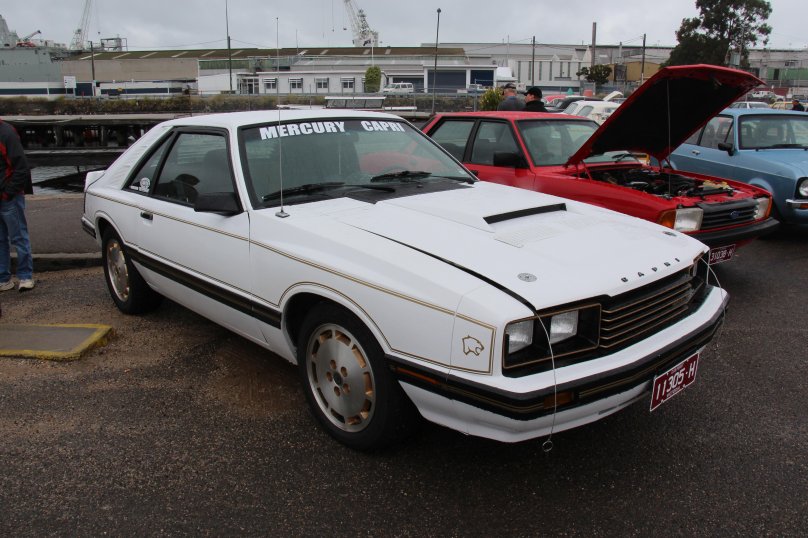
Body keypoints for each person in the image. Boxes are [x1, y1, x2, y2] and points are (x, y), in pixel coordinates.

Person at [0, 120, 35, 292]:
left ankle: (25, 276)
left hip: (9, 197)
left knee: (18, 237)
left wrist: (8, 192)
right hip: (6, 195)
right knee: (2, 240)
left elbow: (21, 167)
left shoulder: (6, 133)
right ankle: (3, 279)